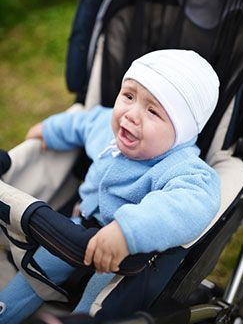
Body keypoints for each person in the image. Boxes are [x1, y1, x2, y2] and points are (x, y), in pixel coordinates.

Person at [0, 49, 220, 323]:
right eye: (128, 96)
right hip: (77, 228)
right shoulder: (108, 128)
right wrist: (50, 130)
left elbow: (189, 204)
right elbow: (82, 121)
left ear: (182, 131)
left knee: (100, 301)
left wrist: (128, 230)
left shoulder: (183, 168)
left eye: (153, 111)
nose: (131, 114)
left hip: (121, 259)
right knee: (37, 269)